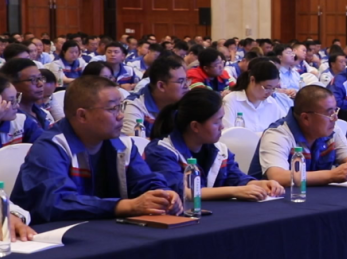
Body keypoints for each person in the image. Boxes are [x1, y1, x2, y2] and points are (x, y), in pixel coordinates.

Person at [11, 76, 180, 223]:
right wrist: (125, 206)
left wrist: (163, 195)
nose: (121, 115)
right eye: (112, 109)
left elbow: (145, 182)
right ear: (82, 115)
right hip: (49, 238)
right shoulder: (50, 147)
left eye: (121, 107)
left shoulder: (123, 144)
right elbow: (56, 203)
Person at [144, 88, 283, 202]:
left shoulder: (219, 151)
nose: (222, 126)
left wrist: (259, 184)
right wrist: (234, 191)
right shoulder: (161, 151)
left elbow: (237, 178)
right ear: (195, 126)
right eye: (217, 122)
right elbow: (182, 192)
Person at [248, 85, 347, 185]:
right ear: (306, 118)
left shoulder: (332, 130)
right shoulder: (277, 134)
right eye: (329, 113)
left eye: (336, 111)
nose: (335, 118)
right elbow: (279, 177)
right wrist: (331, 175)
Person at [122, 56, 188, 137]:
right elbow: (135, 141)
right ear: (161, 86)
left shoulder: (186, 103)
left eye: (186, 80)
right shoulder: (134, 105)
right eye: (181, 81)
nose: (186, 86)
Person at [221, 58, 291, 130]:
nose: (270, 92)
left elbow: (285, 127)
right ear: (252, 80)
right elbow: (227, 132)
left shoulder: (271, 103)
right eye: (267, 87)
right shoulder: (232, 100)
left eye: (273, 88)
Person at [0, 58, 55, 130]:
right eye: (32, 79)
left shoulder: (43, 113)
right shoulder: (11, 120)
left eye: (40, 78)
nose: (40, 84)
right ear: (12, 85)